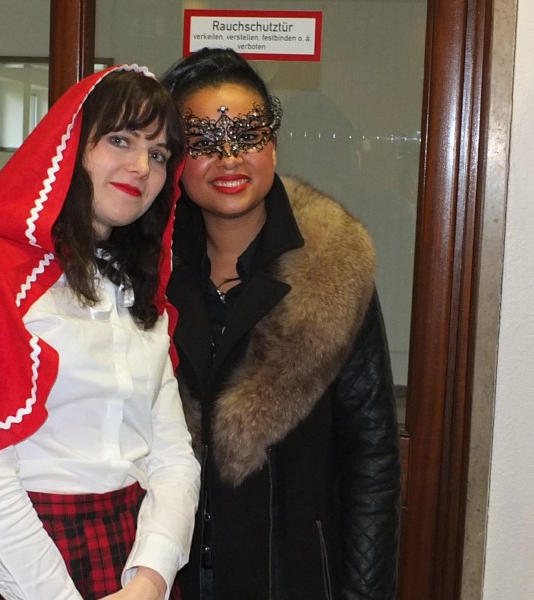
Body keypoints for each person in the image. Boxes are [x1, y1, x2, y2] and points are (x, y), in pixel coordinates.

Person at [0, 65, 201, 600]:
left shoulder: (138, 284)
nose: (140, 167)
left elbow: (172, 454)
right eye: (120, 140)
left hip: (129, 553)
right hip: (20, 560)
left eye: (158, 154)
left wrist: (152, 576)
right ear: (71, 146)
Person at [160, 48, 401, 599]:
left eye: (247, 134)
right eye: (203, 141)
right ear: (174, 157)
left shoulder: (333, 267)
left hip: (291, 575)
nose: (229, 158)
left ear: (272, 143)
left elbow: (372, 458)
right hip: (163, 574)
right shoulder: (144, 272)